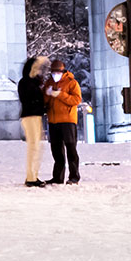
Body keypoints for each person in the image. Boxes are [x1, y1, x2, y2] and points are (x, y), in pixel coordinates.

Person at [44, 59, 83, 185]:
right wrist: (47, 95)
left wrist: (60, 94)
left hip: (68, 121)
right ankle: (57, 178)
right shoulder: (49, 83)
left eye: (58, 72)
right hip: (53, 121)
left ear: (63, 71)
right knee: (56, 151)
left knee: (71, 149)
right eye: (53, 72)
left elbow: (76, 100)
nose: (55, 74)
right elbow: (45, 100)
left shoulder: (71, 83)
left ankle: (74, 177)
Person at [17, 56, 49, 188]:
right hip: (30, 116)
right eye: (35, 68)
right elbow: (28, 100)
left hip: (35, 116)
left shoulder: (33, 82)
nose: (37, 70)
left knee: (36, 147)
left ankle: (33, 176)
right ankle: (31, 177)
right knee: (34, 147)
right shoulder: (25, 82)